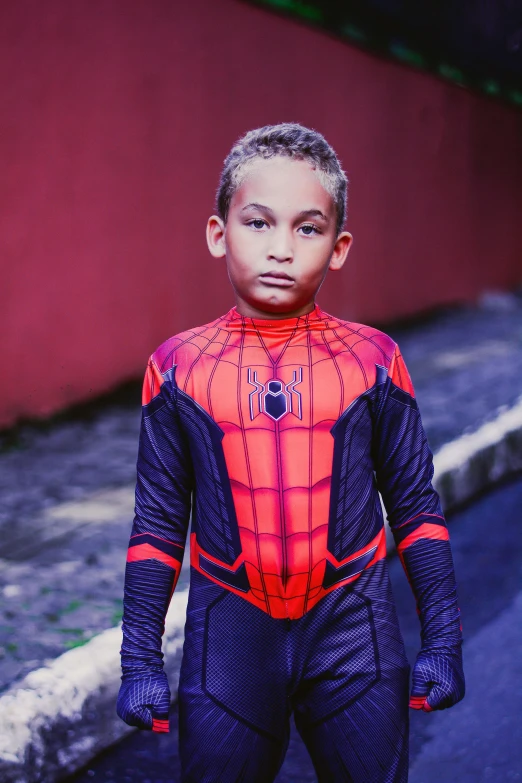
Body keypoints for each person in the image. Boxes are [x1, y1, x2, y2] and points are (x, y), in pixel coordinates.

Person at [116, 122, 465, 782]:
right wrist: (139, 662)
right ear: (219, 232)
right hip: (229, 634)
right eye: (258, 223)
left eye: (307, 228)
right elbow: (159, 524)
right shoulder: (176, 367)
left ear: (339, 247)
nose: (281, 248)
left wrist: (444, 642)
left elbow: (417, 508)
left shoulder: (376, 361)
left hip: (353, 627)